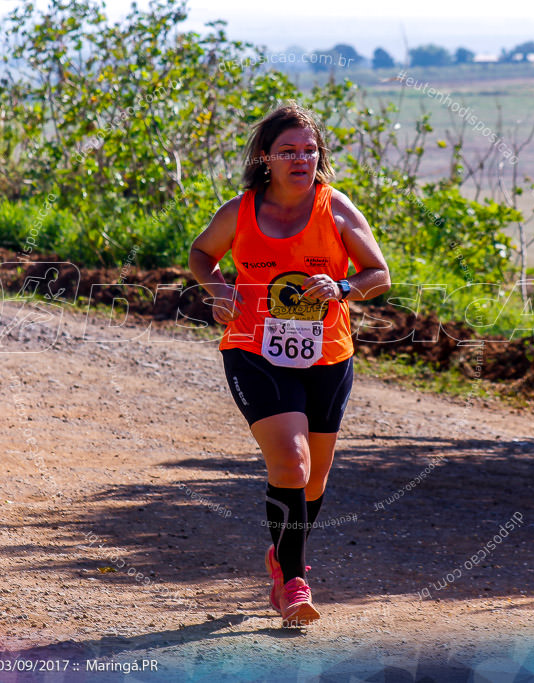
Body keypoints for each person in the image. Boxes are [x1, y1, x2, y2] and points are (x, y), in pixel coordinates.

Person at [188, 102, 390, 626]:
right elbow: (200, 254)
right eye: (288, 151)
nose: (301, 159)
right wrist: (218, 290)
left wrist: (343, 286)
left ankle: (280, 556)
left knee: (314, 481)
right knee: (292, 465)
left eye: (309, 150)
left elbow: (378, 274)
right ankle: (294, 582)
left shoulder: (336, 208)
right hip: (253, 349)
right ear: (265, 157)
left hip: (327, 354)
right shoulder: (240, 210)